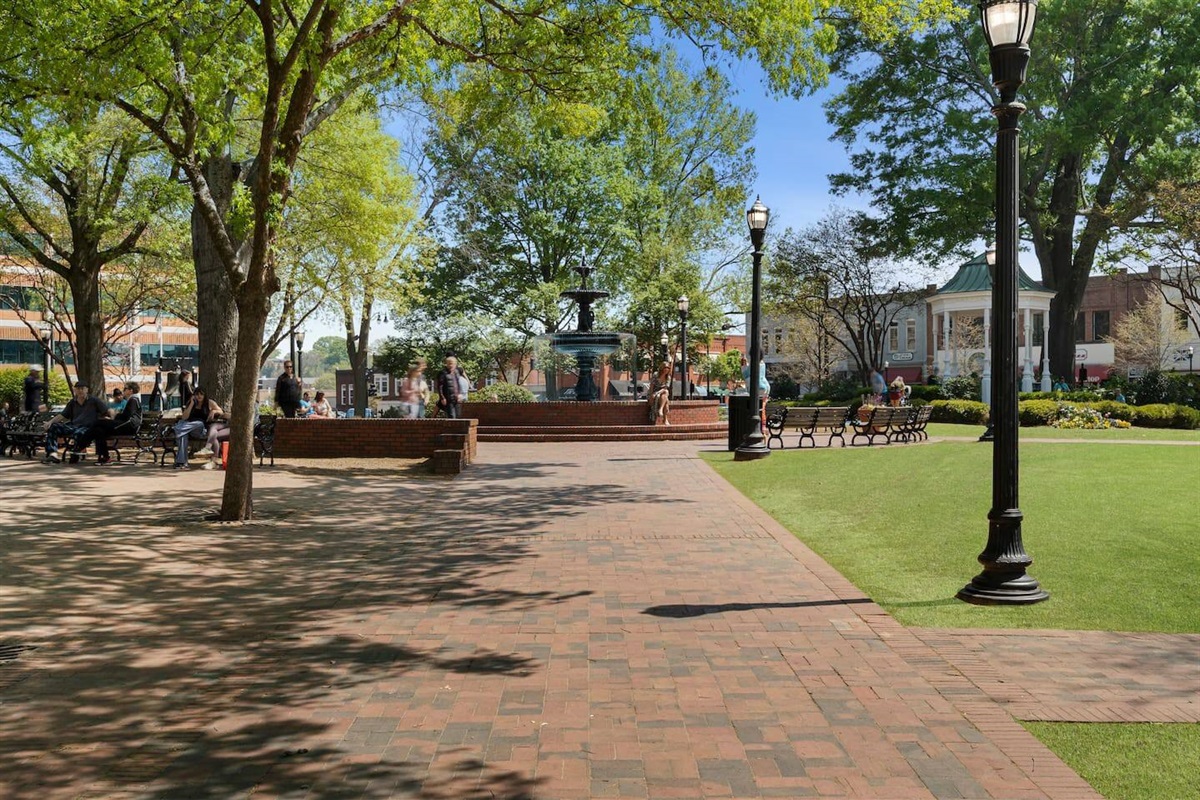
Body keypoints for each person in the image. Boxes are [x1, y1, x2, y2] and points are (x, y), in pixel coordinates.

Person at [77, 382, 143, 465]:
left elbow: (128, 416)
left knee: (99, 422)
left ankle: (80, 446)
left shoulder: (133, 400)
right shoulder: (132, 400)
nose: (123, 391)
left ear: (131, 390)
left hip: (128, 426)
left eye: (125, 389)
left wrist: (115, 416)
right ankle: (105, 457)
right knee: (98, 430)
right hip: (124, 424)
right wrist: (114, 418)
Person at [43, 382, 108, 463]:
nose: (80, 391)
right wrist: (50, 422)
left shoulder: (94, 401)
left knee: (79, 433)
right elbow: (63, 415)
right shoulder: (72, 402)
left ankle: (75, 453)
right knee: (53, 427)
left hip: (87, 427)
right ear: (75, 390)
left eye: (82, 389)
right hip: (73, 426)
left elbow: (106, 411)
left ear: (87, 390)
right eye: (78, 389)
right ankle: (53, 454)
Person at [172, 386, 222, 469]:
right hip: (188, 429)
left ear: (204, 395)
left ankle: (177, 429)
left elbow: (221, 411)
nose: (199, 396)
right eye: (197, 394)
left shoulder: (209, 403)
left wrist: (214, 411)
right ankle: (182, 463)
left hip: (201, 429)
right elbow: (184, 417)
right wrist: (191, 404)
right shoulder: (191, 403)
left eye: (201, 394)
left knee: (198, 423)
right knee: (183, 435)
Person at [741, 355, 771, 431]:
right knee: (762, 408)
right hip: (765, 386)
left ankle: (760, 426)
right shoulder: (762, 364)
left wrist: (744, 365)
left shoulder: (751, 366)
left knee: (758, 408)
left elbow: (745, 374)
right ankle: (763, 426)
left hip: (758, 387)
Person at [649, 356, 673, 425]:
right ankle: (665, 419)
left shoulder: (668, 377)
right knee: (666, 400)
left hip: (662, 392)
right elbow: (651, 386)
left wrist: (659, 392)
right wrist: (651, 395)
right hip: (654, 392)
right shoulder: (656, 375)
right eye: (665, 367)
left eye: (668, 368)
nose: (667, 369)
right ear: (662, 368)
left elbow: (665, 388)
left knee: (666, 392)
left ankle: (660, 409)